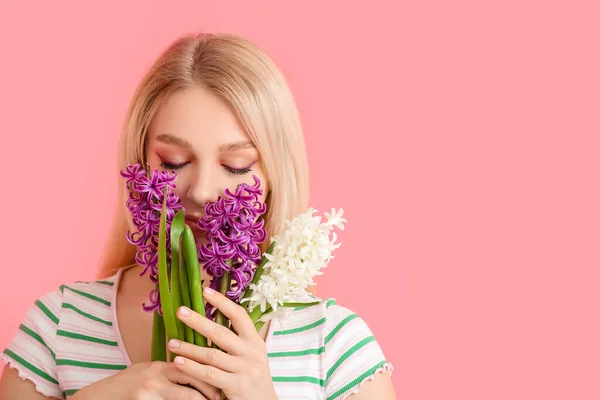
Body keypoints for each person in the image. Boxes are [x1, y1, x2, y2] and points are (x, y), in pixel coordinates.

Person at [0, 32, 395, 399]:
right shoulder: (58, 326)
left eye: (238, 165)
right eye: (173, 162)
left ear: (276, 175)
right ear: (139, 162)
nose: (203, 191)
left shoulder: (335, 346)